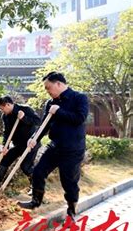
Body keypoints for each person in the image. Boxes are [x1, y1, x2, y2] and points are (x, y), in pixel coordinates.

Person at [18, 72, 89, 219]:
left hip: (73, 148)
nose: (48, 91)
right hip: (55, 146)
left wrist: (60, 111)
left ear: (58, 84)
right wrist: (34, 139)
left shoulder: (79, 98)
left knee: (68, 181)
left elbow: (80, 118)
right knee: (38, 171)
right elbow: (44, 125)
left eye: (48, 88)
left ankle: (71, 211)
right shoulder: (50, 103)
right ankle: (35, 201)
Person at [0, 96, 41, 191]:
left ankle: (36, 187)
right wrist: (5, 146)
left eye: (2, 108)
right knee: (5, 160)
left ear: (8, 105)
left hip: (30, 144)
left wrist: (24, 118)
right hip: (18, 145)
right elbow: (7, 133)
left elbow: (38, 121)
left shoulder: (25, 109)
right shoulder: (5, 116)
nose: (2, 111)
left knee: (26, 167)